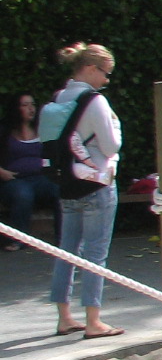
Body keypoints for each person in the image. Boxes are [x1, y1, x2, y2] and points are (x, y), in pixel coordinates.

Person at [47, 43, 122, 337]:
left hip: (66, 183)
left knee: (67, 250)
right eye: (105, 73)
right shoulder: (95, 101)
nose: (106, 80)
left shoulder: (58, 97)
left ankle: (64, 316)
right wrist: (116, 128)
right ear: (91, 69)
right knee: (95, 253)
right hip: (97, 183)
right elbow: (111, 145)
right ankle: (93, 320)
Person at [0, 94, 58, 249]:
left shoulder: (41, 129)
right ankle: (19, 239)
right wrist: (1, 172)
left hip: (40, 178)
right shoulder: (5, 132)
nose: (31, 108)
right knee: (23, 194)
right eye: (25, 105)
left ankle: (64, 241)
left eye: (32, 104)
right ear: (16, 108)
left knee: (59, 190)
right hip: (14, 180)